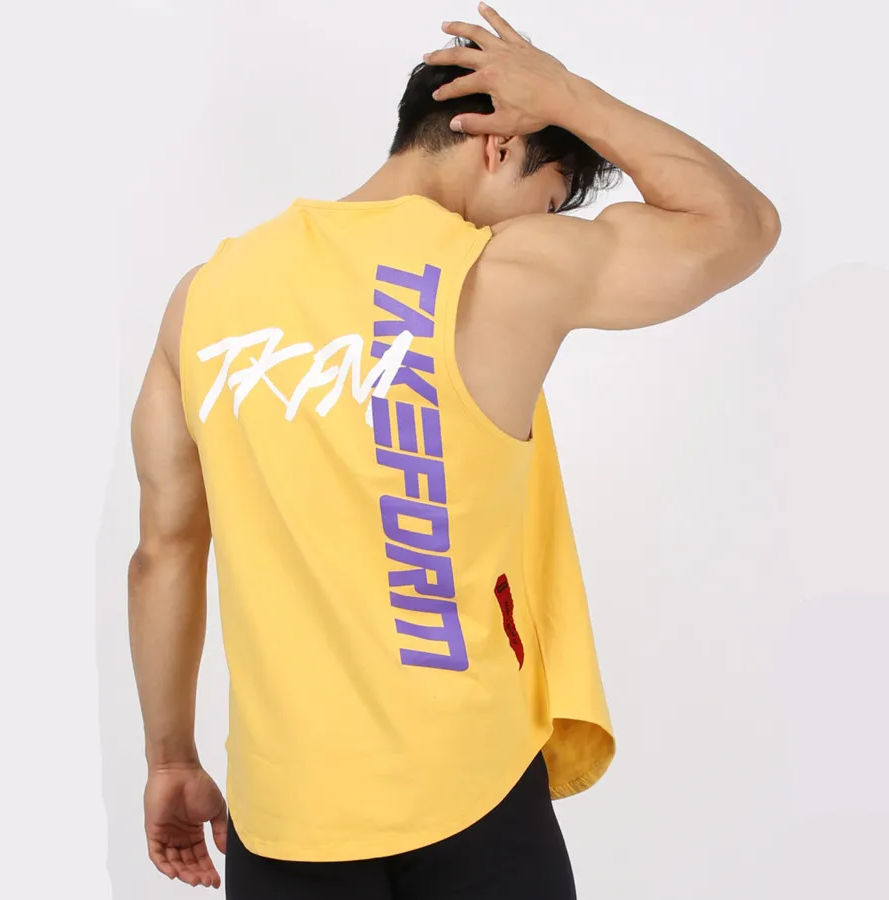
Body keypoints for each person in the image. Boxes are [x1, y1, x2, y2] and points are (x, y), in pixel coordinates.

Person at [128, 4, 780, 897]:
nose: (542, 220)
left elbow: (164, 552)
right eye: (551, 198)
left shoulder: (203, 300)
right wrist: (572, 96)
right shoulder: (504, 273)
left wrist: (170, 759)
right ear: (498, 143)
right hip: (472, 793)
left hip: (286, 815)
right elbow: (741, 225)